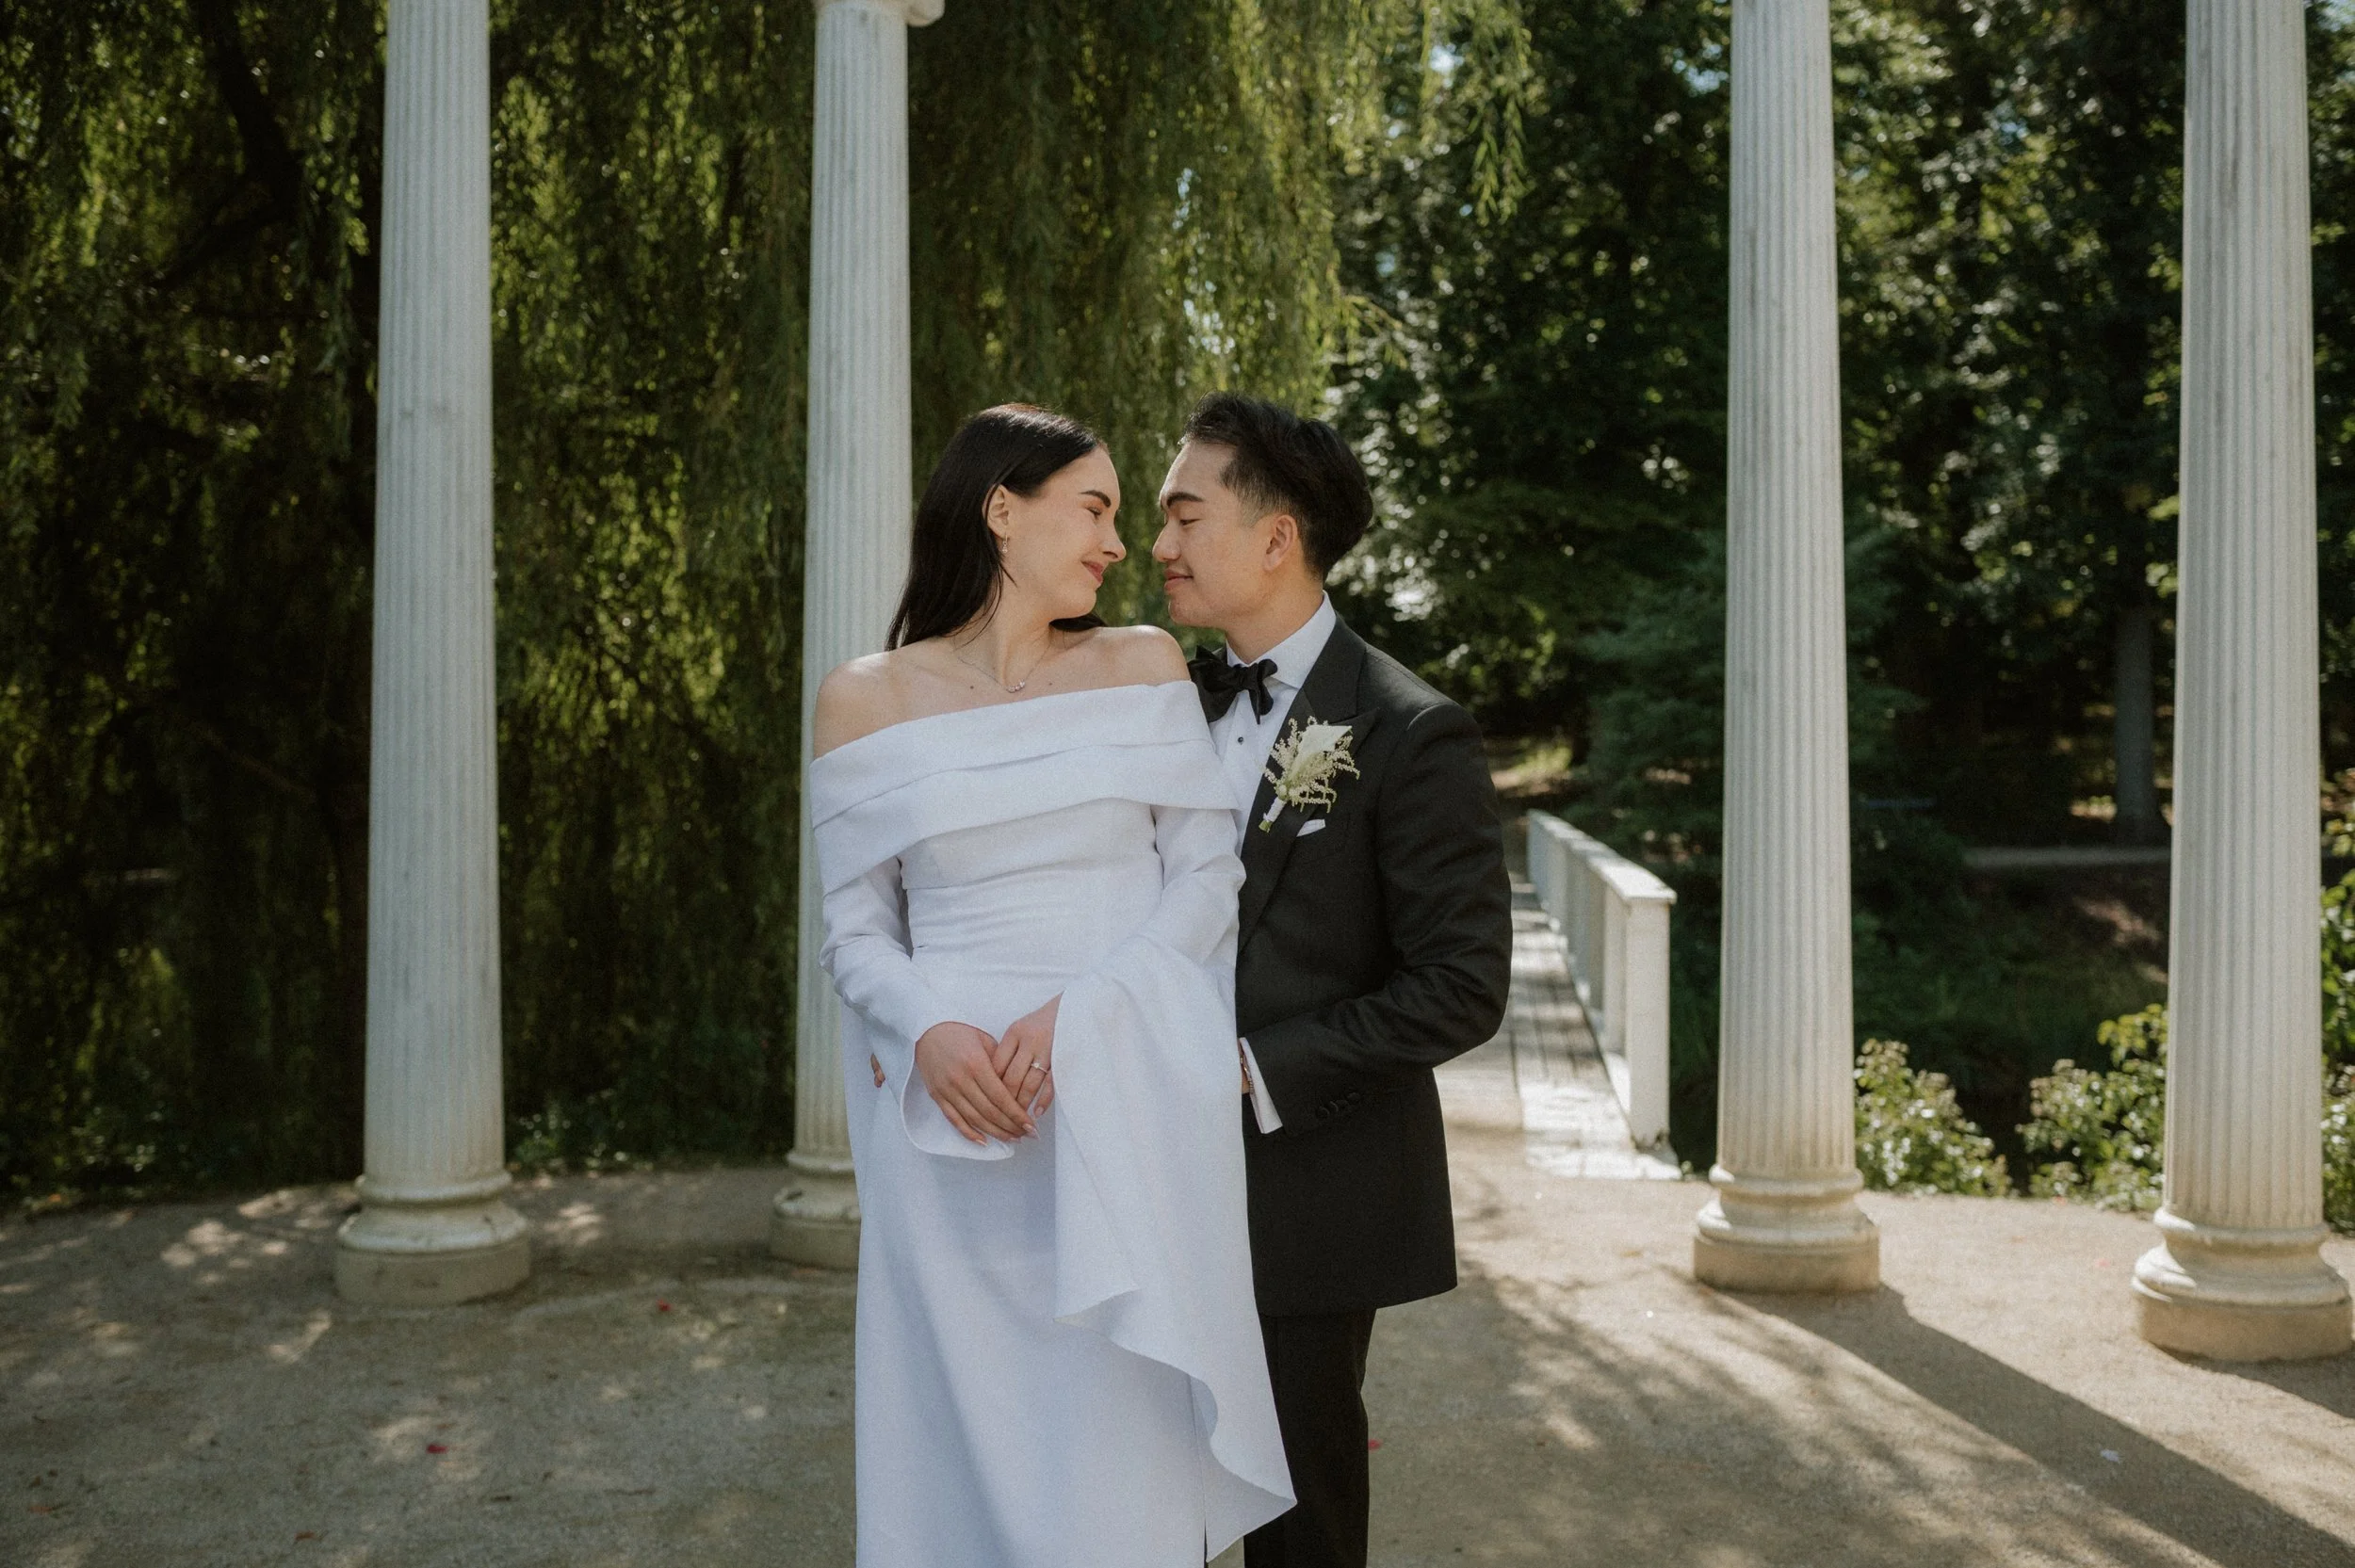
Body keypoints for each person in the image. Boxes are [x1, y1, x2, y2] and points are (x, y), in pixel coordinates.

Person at [809, 403, 1292, 1568]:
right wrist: (929, 1032)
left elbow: (1203, 879)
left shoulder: (1141, 664)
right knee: (965, 1427)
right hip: (957, 1126)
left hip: (1119, 1096)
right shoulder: (861, 698)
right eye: (1094, 509)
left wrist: (1082, 1018)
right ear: (999, 509)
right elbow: (854, 929)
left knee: (1117, 1432)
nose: (1120, 544)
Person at [1156, 393, 1514, 1568]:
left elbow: (1461, 984)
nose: (1157, 548)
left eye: (1182, 516)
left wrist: (1252, 1073)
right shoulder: (1155, 704)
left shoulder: (1414, 732)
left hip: (1302, 1191)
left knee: (1296, 1517)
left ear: (1274, 538)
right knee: (1134, 1490)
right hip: (1141, 1174)